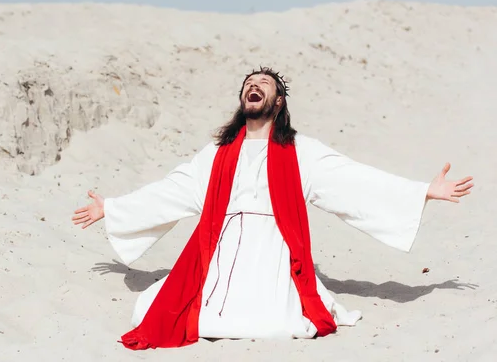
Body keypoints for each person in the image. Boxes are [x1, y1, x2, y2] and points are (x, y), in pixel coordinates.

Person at [71, 67, 473, 350]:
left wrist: (422, 192)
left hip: (274, 249)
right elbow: (174, 190)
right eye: (249, 83)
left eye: (262, 83)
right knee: (195, 316)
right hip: (223, 248)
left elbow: (354, 181)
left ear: (277, 101)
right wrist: (114, 208)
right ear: (244, 98)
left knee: (279, 323)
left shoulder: (301, 152)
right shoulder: (216, 153)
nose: (254, 86)